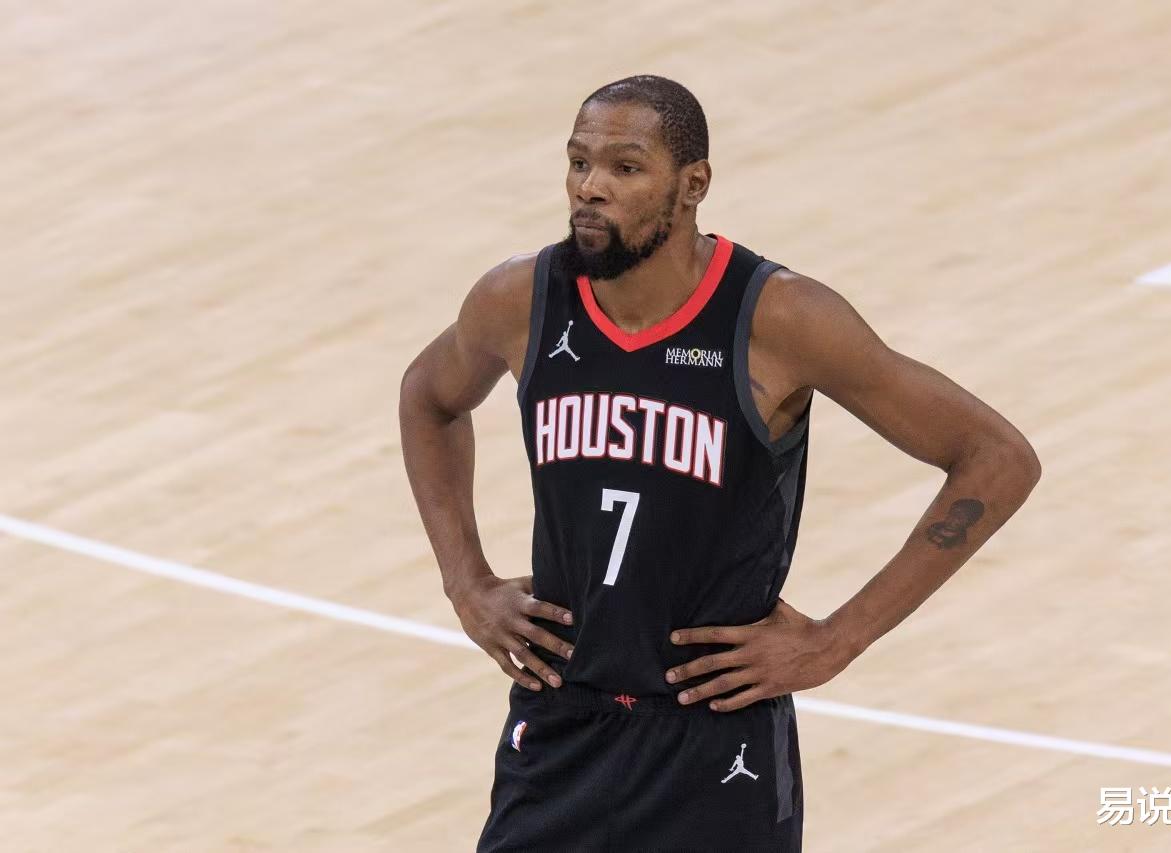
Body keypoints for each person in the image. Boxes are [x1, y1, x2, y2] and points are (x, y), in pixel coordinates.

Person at [399, 74, 1040, 852]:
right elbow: (429, 398)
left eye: (625, 167)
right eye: (578, 162)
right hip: (561, 728)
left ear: (693, 185)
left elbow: (996, 458)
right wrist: (465, 581)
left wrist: (839, 638)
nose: (591, 187)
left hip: (716, 745)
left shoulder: (779, 318)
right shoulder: (520, 300)